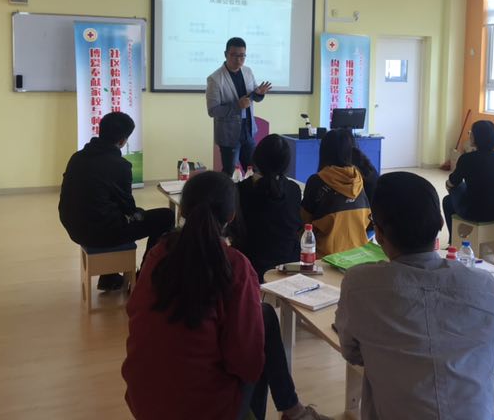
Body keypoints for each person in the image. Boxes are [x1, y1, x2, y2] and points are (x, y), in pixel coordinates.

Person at [122, 171, 328, 420]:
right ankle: (292, 411)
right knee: (258, 341)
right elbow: (247, 363)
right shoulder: (233, 265)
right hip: (202, 410)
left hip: (145, 400)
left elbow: (134, 311)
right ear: (231, 216)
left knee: (263, 317)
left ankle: (293, 411)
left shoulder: (158, 254)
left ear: (183, 210)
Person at [335, 172, 494, 420]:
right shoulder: (484, 285)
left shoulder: (359, 285)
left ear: (378, 233)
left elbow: (352, 352)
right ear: (441, 224)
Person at [58, 111, 173, 290]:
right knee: (166, 217)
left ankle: (109, 278)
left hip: (74, 227)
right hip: (98, 233)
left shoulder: (77, 157)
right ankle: (144, 277)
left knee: (106, 209)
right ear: (122, 141)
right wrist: (139, 213)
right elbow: (129, 209)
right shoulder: (120, 166)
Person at [232, 133, 303, 281]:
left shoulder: (239, 191)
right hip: (289, 266)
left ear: (256, 158)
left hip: (250, 268)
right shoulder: (294, 190)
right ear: (286, 163)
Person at [206, 37, 272, 175]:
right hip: (229, 134)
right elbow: (213, 110)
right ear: (226, 54)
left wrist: (258, 94)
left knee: (254, 171)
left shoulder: (248, 71)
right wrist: (237, 106)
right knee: (229, 172)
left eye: (242, 56)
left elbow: (252, 97)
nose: (238, 60)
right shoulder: (215, 79)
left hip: (248, 130)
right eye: (234, 55)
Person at [301, 129, 371, 257]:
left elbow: (304, 222)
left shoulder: (317, 181)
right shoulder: (359, 179)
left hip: (327, 257)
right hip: (359, 253)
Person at [442, 120, 494, 245]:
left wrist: (448, 185)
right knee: (466, 187)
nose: (469, 135)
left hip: (475, 211)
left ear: (476, 137)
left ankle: (454, 242)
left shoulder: (467, 158)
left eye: (471, 133)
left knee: (448, 200)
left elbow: (453, 181)